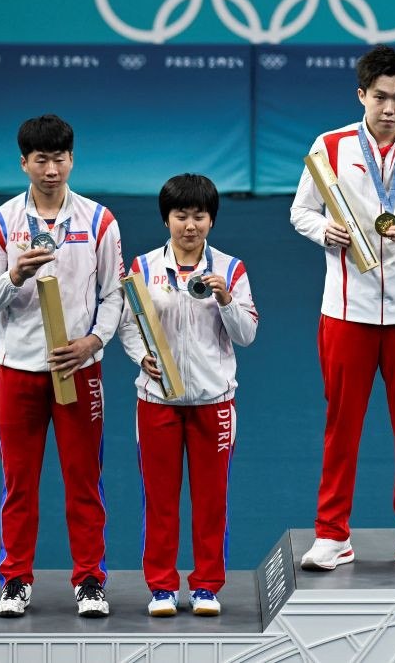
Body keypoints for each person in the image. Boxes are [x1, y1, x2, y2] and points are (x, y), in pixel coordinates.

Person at [289, 45, 395, 572]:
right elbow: (300, 211)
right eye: (380, 97)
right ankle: (331, 534)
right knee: (341, 425)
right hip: (346, 311)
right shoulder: (330, 146)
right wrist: (325, 230)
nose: (389, 109)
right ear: (360, 94)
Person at [0, 114, 123, 618]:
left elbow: (113, 295)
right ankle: (15, 580)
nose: (52, 170)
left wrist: (92, 342)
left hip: (80, 369)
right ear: (24, 163)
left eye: (60, 159)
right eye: (42, 160)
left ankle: (90, 581)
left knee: (84, 480)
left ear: (72, 159)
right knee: (20, 482)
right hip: (17, 372)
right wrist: (14, 274)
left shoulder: (99, 221)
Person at [118, 174, 257, 617]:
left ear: (211, 221)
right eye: (181, 215)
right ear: (167, 219)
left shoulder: (231, 269)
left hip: (214, 403)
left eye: (199, 215)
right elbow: (127, 323)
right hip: (157, 402)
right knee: (160, 500)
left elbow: (248, 335)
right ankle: (161, 587)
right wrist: (142, 358)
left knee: (211, 500)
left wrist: (228, 300)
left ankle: (205, 587)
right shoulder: (142, 268)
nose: (190, 225)